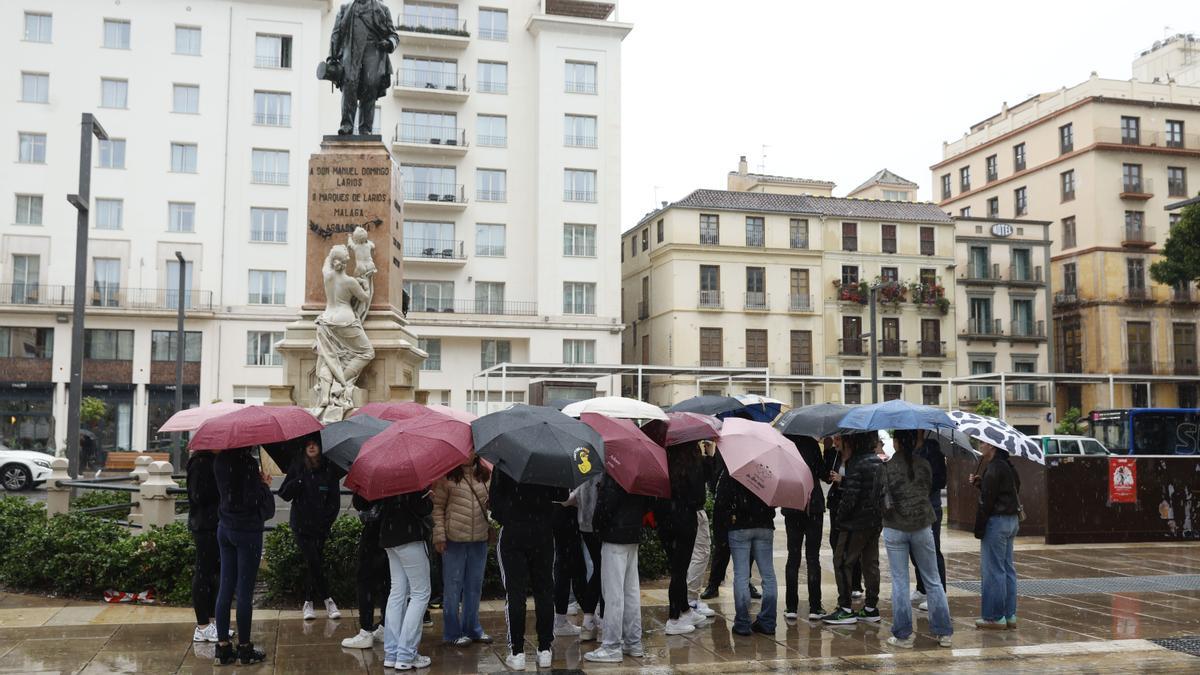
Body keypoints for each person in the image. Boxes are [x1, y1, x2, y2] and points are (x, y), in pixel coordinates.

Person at [881, 430, 953, 649]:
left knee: (900, 581)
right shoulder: (924, 464)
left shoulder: (887, 467)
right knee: (932, 579)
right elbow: (928, 488)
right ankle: (944, 633)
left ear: (896, 442)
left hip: (895, 527)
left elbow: (880, 494)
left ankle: (903, 635)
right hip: (922, 525)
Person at [491, 470, 563, 671]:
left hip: (514, 533)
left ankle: (517, 652)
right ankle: (545, 649)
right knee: (545, 591)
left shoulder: (505, 459)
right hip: (542, 533)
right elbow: (562, 496)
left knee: (515, 593)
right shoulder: (550, 460)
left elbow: (495, 503)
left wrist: (511, 516)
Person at [212, 447, 273, 666]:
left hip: (225, 527)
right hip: (246, 530)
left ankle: (223, 648)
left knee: (226, 589)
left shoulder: (219, 461)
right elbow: (252, 501)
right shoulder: (246, 463)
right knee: (245, 591)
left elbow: (228, 493)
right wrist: (264, 485)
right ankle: (245, 649)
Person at [584, 474, 650, 663]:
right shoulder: (639, 473)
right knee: (630, 592)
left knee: (613, 594)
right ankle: (633, 642)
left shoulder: (615, 473)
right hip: (631, 534)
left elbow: (605, 507)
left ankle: (612, 645)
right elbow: (647, 503)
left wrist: (597, 525)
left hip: (615, 536)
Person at [431, 454, 493, 647]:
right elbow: (437, 508)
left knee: (474, 586)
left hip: (479, 539)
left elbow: (492, 503)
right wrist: (439, 536)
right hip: (454, 540)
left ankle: (473, 628)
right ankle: (452, 632)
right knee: (453, 587)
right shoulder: (446, 476)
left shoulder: (485, 474)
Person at [278, 437, 342, 621]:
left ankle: (308, 603)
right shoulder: (297, 466)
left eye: (315, 443)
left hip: (320, 528)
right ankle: (328, 600)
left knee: (314, 564)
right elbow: (284, 493)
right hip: (301, 526)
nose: (312, 446)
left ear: (321, 447)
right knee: (313, 560)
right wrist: (298, 482)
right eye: (308, 444)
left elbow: (334, 501)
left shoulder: (329, 469)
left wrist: (326, 522)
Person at [824, 433, 883, 626]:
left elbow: (851, 498)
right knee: (870, 564)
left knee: (841, 562)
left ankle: (845, 609)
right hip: (873, 522)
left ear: (852, 443)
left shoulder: (856, 464)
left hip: (854, 524)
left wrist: (841, 520)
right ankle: (871, 607)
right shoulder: (877, 462)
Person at [713, 459, 778, 637]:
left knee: (741, 575)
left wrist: (724, 527)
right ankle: (768, 622)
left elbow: (721, 502)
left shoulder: (733, 470)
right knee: (768, 575)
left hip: (739, 526)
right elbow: (774, 500)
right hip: (764, 526)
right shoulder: (766, 469)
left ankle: (742, 623)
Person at [655, 441, 708, 635]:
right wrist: (705, 459)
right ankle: (674, 618)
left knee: (676, 567)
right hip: (684, 521)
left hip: (664, 520)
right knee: (679, 571)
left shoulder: (661, 460)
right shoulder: (690, 464)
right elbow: (699, 497)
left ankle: (684, 609)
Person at [379, 489, 434, 670]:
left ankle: (392, 653)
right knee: (420, 594)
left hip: (389, 535)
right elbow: (420, 508)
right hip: (409, 537)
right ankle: (406, 654)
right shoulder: (410, 477)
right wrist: (428, 500)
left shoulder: (384, 472)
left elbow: (363, 503)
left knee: (397, 593)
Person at [971, 441, 1022, 630]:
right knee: (1007, 569)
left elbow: (987, 502)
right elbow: (1009, 491)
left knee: (993, 571)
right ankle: (1010, 615)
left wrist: (979, 528)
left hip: (997, 523)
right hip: (1011, 521)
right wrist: (981, 484)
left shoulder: (993, 468)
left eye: (982, 443)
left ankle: (993, 617)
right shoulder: (1008, 466)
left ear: (992, 447)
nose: (979, 445)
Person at [700, 451, 761, 601]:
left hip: (743, 508)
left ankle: (746, 582)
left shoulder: (751, 454)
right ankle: (714, 584)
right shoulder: (722, 451)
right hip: (723, 505)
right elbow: (714, 477)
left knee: (747, 550)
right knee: (722, 547)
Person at [782, 435, 829, 622]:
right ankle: (815, 607)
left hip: (792, 502)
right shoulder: (811, 443)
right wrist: (828, 450)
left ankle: (791, 606)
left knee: (793, 557)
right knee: (812, 557)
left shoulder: (785, 444)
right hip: (813, 505)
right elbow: (825, 475)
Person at [341, 492, 390, 649]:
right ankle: (385, 625)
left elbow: (360, 503)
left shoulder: (374, 473)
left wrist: (359, 491)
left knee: (366, 582)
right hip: (394, 534)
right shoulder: (402, 471)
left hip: (374, 536)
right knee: (389, 583)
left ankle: (366, 630)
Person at [187, 450, 225, 643]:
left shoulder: (215, 460)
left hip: (217, 524)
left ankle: (212, 622)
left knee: (216, 573)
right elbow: (198, 495)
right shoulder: (200, 462)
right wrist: (221, 486)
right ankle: (202, 625)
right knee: (203, 572)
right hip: (204, 526)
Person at [911, 430, 947, 610]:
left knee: (932, 549)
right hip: (914, 507)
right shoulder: (909, 449)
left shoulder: (932, 451)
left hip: (930, 506)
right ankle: (922, 587)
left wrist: (922, 482)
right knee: (915, 548)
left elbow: (941, 480)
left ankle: (939, 594)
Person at [823, 439, 863, 601]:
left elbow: (860, 483)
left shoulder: (857, 457)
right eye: (835, 439)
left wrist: (843, 480)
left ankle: (855, 584)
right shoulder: (834, 455)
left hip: (852, 505)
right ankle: (843, 582)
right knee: (836, 542)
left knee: (853, 546)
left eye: (839, 439)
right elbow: (826, 477)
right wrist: (826, 451)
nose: (836, 442)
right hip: (836, 504)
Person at [569, 476, 604, 642]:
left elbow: (573, 497)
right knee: (603, 572)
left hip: (585, 522)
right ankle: (600, 623)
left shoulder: (585, 457)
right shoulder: (606, 461)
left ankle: (589, 621)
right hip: (600, 523)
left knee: (599, 569)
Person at [552, 500, 586, 638]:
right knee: (571, 568)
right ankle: (588, 615)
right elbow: (562, 498)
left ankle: (561, 619)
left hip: (565, 518)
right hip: (565, 519)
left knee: (569, 568)